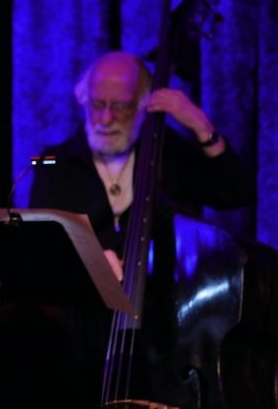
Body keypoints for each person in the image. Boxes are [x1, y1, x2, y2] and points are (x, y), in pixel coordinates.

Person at [27, 51, 254, 406]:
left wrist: (200, 126)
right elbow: (41, 250)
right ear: (83, 100)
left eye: (120, 107)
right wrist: (87, 260)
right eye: (97, 104)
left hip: (167, 334)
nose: (105, 118)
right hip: (84, 339)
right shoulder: (56, 164)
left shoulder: (167, 154)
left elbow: (236, 192)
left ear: (144, 106)